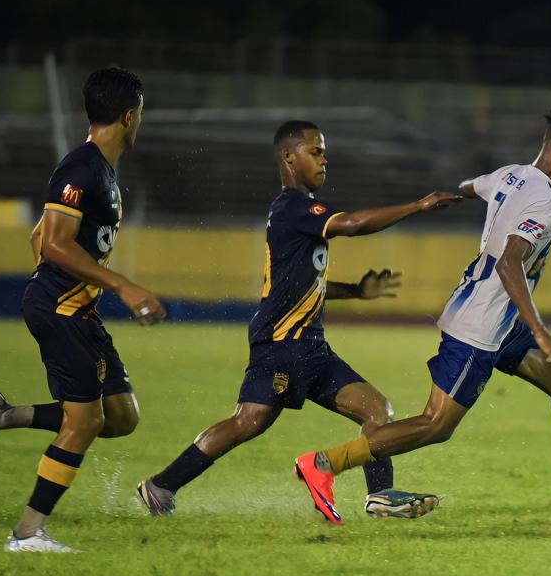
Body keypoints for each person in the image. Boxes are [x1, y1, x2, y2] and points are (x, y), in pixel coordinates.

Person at [292, 105, 551, 525]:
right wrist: (541, 332)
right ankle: (324, 463)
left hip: (498, 321)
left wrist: (457, 194)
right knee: (436, 425)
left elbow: (474, 185)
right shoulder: (545, 201)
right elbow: (510, 264)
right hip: (481, 326)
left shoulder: (511, 174)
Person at [135, 121, 461, 522]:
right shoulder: (293, 207)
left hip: (311, 345)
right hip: (282, 344)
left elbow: (304, 282)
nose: (325, 160)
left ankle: (381, 495)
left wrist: (356, 292)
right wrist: (417, 205)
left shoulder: (298, 212)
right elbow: (353, 224)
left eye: (324, 152)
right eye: (316, 151)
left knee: (377, 409)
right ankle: (161, 486)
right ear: (289, 157)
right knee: (248, 422)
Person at [0, 66, 167, 552]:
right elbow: (55, 245)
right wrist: (123, 286)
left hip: (75, 309)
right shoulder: (82, 167)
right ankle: (26, 534)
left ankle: (0, 414)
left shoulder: (99, 172)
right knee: (84, 422)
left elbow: (38, 236)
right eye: (141, 115)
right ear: (130, 116)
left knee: (120, 416)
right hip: (62, 308)